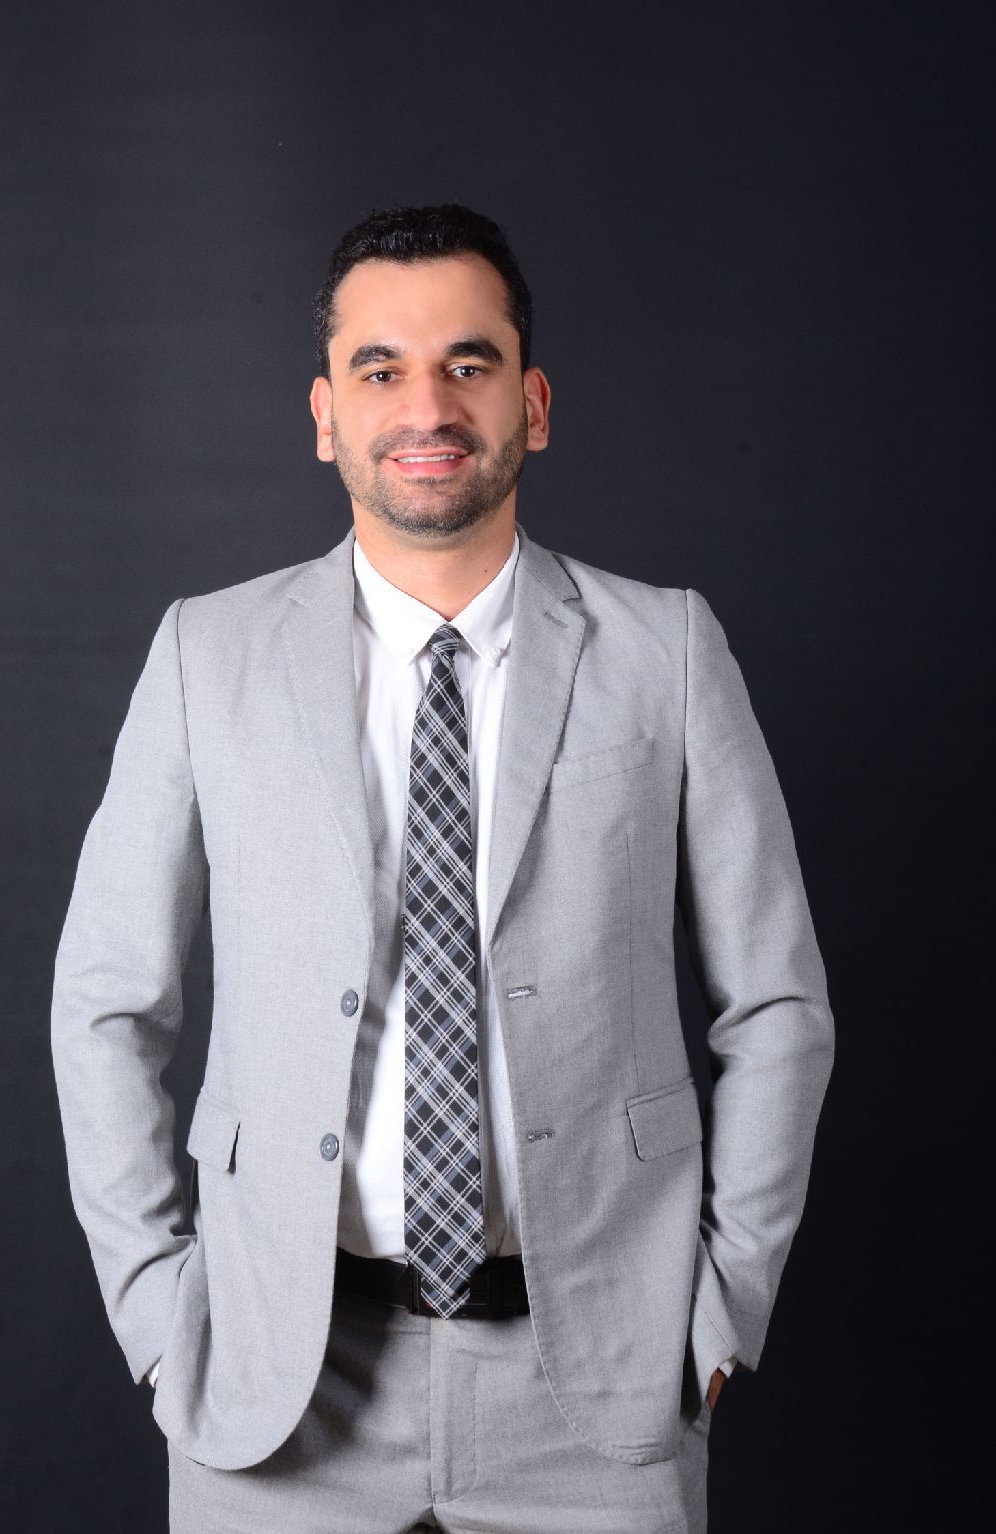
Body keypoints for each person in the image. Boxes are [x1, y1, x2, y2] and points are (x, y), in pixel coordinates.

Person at [51, 203, 835, 1533]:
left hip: (602, 1389)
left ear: (534, 402)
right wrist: (155, 1312)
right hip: (275, 1389)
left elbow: (777, 1004)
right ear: (325, 415)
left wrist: (721, 1309)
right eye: (381, 368)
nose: (427, 405)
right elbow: (106, 1003)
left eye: (469, 363)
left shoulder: (667, 652)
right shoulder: (205, 656)